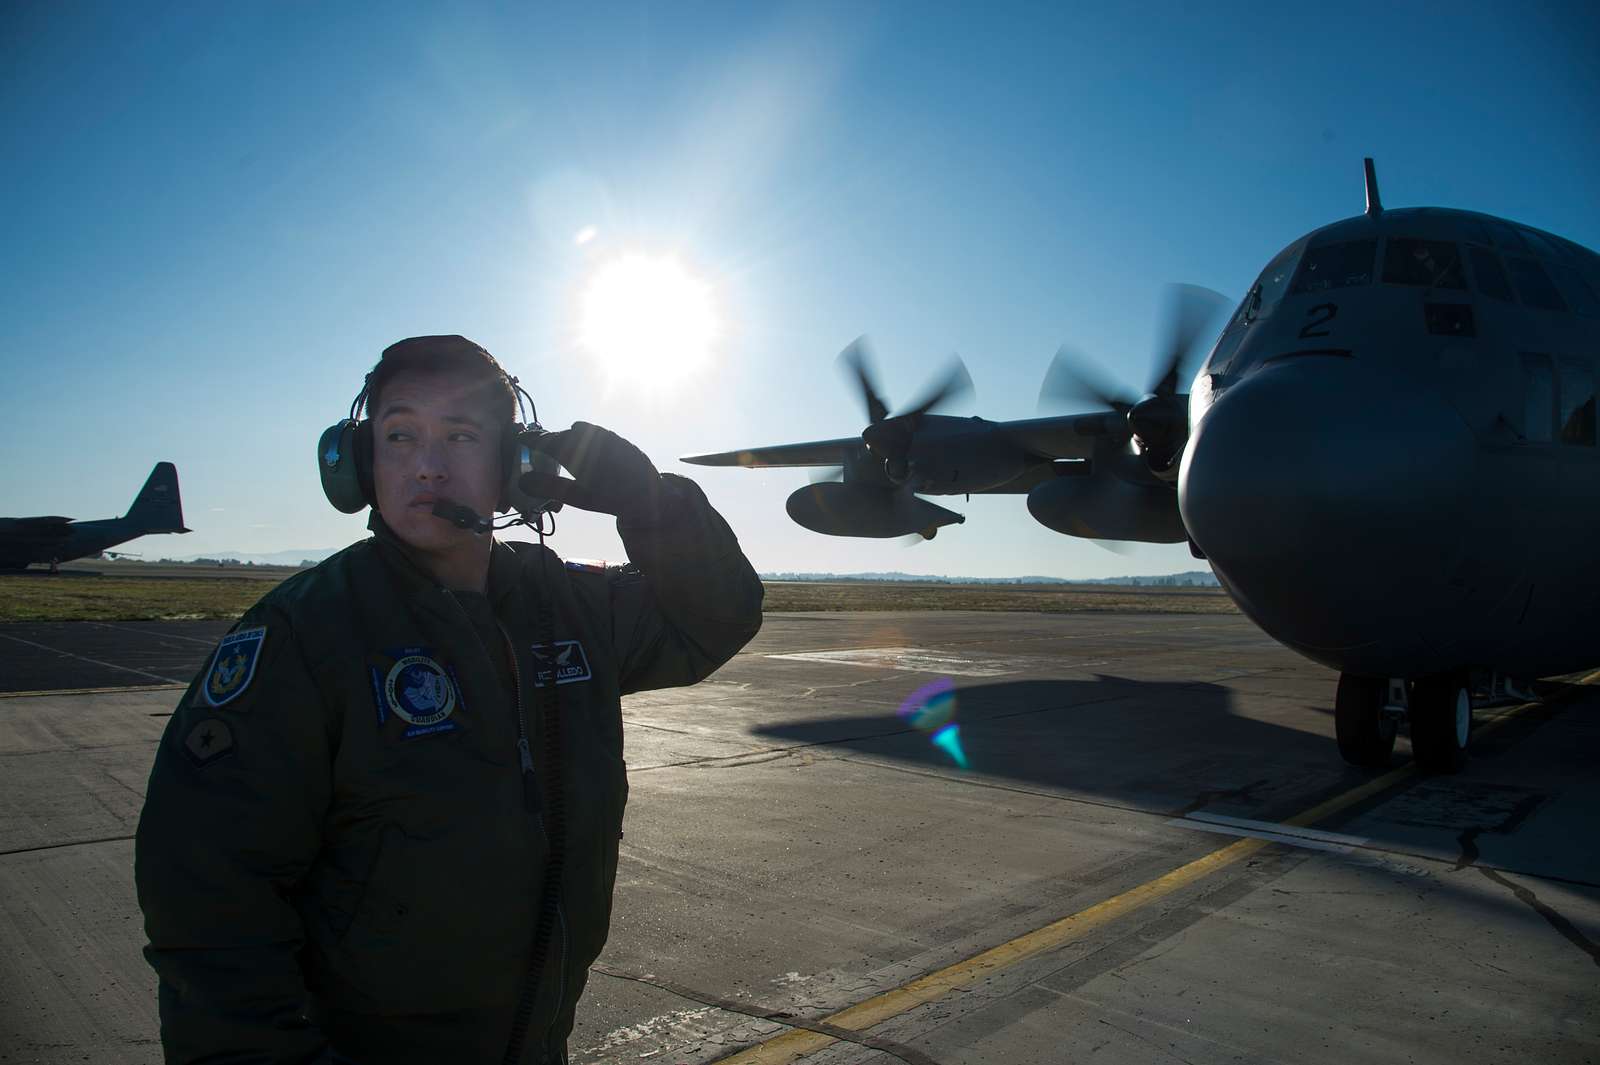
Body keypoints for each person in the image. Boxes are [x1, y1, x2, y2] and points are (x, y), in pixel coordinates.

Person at [135, 335, 764, 1064]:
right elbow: (209, 905)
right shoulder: (303, 635)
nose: (428, 464)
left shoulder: (568, 603)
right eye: (400, 435)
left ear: (514, 468)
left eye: (461, 436)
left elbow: (715, 618)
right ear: (360, 461)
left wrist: (656, 506)